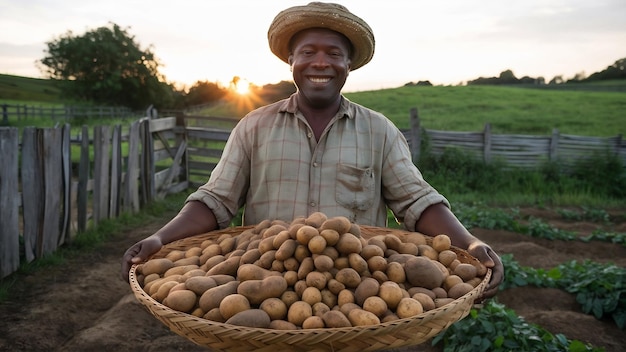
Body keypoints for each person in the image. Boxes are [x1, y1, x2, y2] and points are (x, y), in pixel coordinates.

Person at [122, 1, 503, 301]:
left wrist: (470, 243)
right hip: (263, 288)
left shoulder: (379, 130)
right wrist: (161, 238)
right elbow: (215, 200)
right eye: (307, 52)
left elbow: (418, 202)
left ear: (348, 64)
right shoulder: (254, 126)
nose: (320, 62)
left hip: (353, 294)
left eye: (333, 53)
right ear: (291, 61)